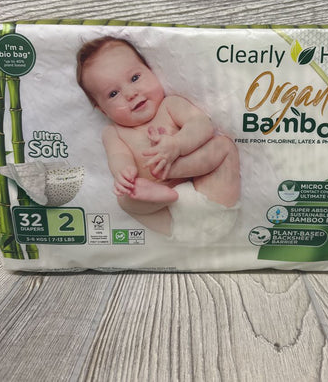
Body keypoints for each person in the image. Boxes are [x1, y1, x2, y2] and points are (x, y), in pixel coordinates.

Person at [76, 36, 240, 242]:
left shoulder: (170, 106)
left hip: (212, 198)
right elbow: (118, 157)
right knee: (124, 199)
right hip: (171, 219)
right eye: (113, 93)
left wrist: (177, 144)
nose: (130, 93)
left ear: (151, 70)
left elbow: (202, 125)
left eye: (135, 78)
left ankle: (173, 170)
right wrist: (124, 174)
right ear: (103, 110)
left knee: (224, 146)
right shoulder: (114, 132)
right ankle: (161, 195)